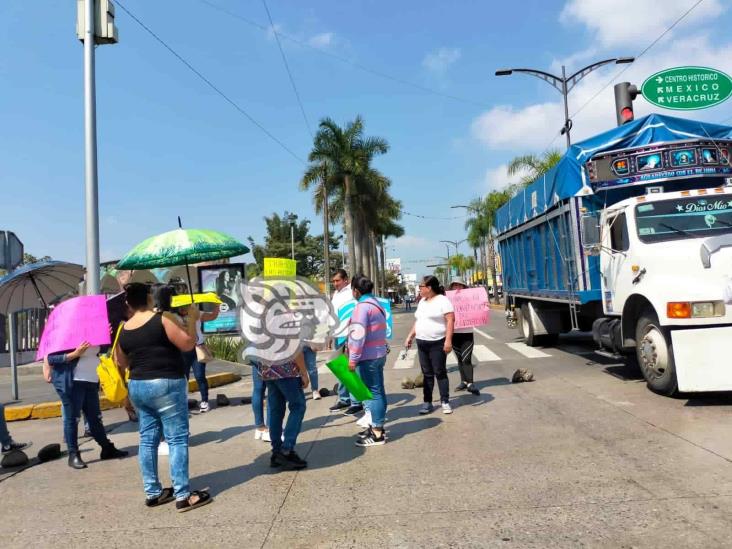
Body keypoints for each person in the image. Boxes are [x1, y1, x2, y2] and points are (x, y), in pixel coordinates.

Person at [115, 283, 212, 512]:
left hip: (138, 385)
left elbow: (122, 362)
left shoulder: (125, 328)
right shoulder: (163, 318)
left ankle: (153, 492)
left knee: (147, 439)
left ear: (128, 302)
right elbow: (187, 344)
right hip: (166, 383)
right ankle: (183, 495)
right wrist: (192, 318)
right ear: (150, 298)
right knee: (177, 438)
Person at [46, 341, 128, 469]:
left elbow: (101, 352)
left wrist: (106, 339)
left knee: (95, 418)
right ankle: (73, 454)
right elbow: (51, 358)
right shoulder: (69, 334)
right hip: (72, 382)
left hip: (91, 381)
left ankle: (107, 448)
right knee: (73, 419)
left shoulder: (94, 332)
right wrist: (74, 354)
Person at [404, 275, 455, 415]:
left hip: (437, 342)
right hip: (422, 342)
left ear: (429, 288)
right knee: (427, 374)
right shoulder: (422, 302)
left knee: (440, 372)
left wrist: (448, 340)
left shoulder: (442, 301)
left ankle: (445, 401)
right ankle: (427, 402)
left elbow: (450, 320)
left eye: (421, 286)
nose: (419, 289)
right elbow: (418, 321)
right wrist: (410, 336)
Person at [348, 275, 388, 447]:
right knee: (378, 391)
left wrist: (352, 359)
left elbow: (357, 335)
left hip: (367, 356)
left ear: (356, 291)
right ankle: (376, 426)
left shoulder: (361, 308)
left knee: (373, 393)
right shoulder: (377, 304)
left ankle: (377, 433)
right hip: (378, 354)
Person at [254, 352, 309, 470]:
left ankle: (276, 451)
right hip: (286, 370)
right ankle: (286, 450)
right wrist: (304, 372)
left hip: (267, 369)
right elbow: (295, 349)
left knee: (276, 410)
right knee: (298, 406)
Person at [328, 269, 362, 415]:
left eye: (338, 280)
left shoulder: (351, 293)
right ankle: (344, 398)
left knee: (350, 368)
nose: (335, 283)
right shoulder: (336, 294)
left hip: (349, 335)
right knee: (340, 367)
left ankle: (356, 401)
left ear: (346, 280)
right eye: (334, 281)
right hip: (337, 334)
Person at [177, 301, 220, 413]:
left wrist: (217, 305)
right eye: (181, 307)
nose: (183, 308)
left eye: (185, 306)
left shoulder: (197, 313)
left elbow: (212, 316)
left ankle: (204, 401)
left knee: (200, 376)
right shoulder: (174, 317)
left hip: (197, 348)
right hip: (182, 349)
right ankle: (183, 402)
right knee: (183, 378)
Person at [448, 278, 480, 396]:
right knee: (460, 359)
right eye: (454, 285)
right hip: (454, 333)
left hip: (467, 333)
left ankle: (471, 383)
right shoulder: (447, 300)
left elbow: (479, 307)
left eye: (459, 285)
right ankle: (463, 381)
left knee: (466, 358)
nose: (457, 287)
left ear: (464, 287)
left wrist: (483, 305)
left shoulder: (470, 298)